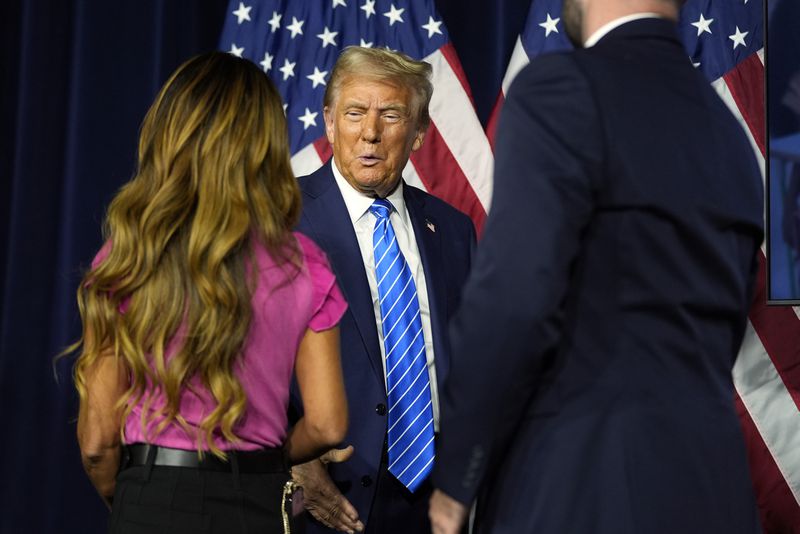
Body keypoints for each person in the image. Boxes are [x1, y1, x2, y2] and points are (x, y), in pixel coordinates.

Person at [429, 0, 764, 533]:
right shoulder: (732, 135)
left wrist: (457, 478)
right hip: (716, 493)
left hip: (581, 490)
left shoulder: (561, 89)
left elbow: (513, 302)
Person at [68, 51, 349, 534]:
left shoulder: (129, 254)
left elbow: (97, 442)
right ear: (264, 145)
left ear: (170, 136)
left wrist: (139, 501)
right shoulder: (305, 262)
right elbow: (327, 425)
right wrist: (261, 462)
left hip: (150, 499)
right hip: (254, 506)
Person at [290, 46, 476, 534]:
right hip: (328, 490)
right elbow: (244, 361)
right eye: (354, 113)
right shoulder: (281, 219)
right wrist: (293, 461)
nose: (369, 132)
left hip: (436, 497)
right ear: (330, 122)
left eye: (390, 115)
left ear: (418, 133)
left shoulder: (454, 230)